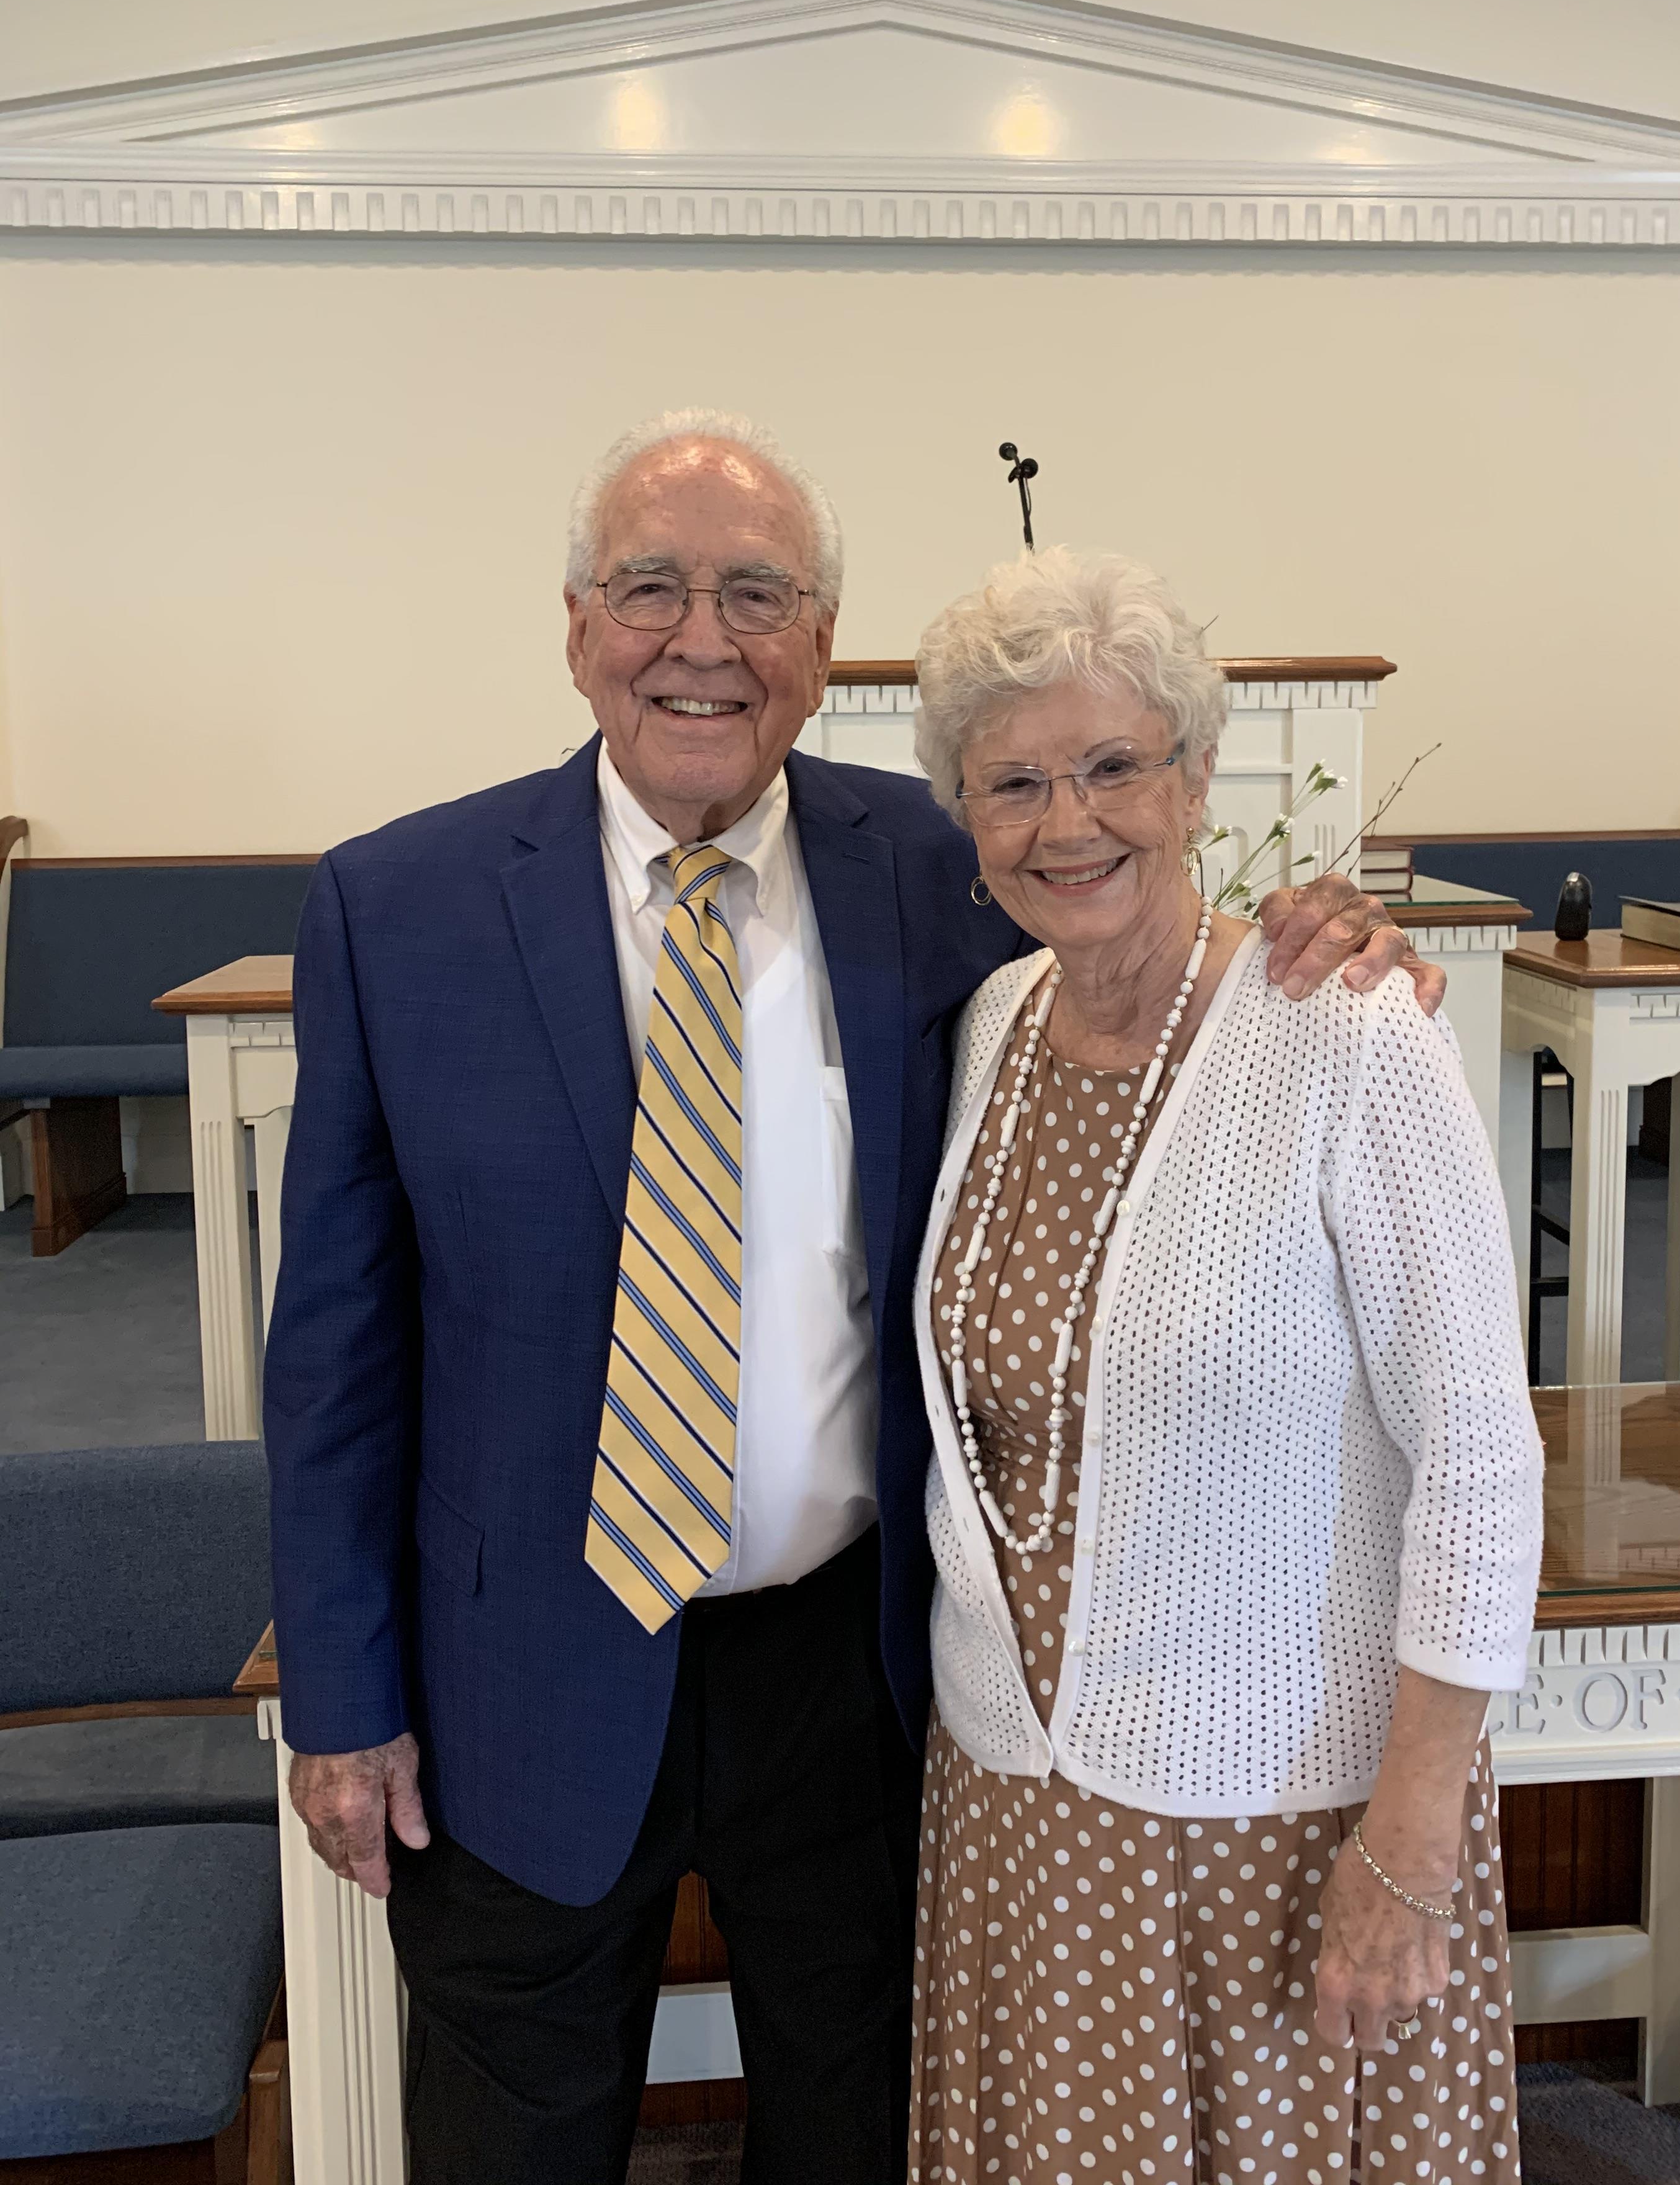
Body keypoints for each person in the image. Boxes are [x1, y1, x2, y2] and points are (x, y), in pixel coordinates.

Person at [263, 412, 1437, 2185]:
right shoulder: (393, 907)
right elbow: (341, 1349)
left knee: (863, 2128)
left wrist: (1331, 929)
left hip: (857, 1665)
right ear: (576, 624)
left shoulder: (944, 868)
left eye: (760, 595)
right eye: (651, 588)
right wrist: (343, 1697)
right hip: (522, 1662)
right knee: (508, 2141)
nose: (703, 640)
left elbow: (1132, 924)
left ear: (825, 644)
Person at [907, 545, 1543, 2185]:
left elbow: (1481, 1452)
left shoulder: (1344, 1029)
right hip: (1021, 1809)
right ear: (966, 816)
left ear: (1195, 781)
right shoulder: (988, 1028)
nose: (1071, 821)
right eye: (1017, 781)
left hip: (1282, 1819)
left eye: (1117, 765)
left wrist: (1409, 1842)